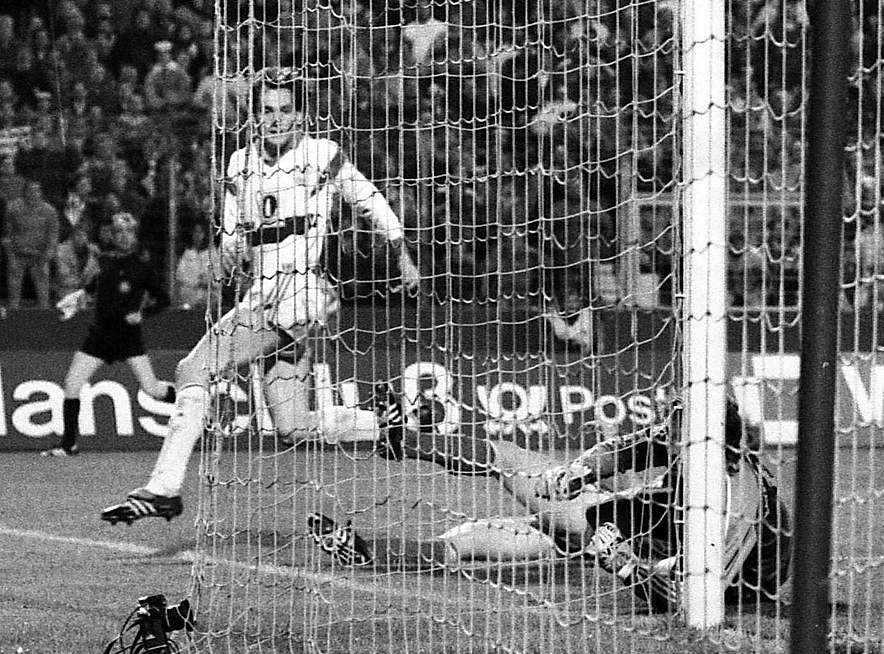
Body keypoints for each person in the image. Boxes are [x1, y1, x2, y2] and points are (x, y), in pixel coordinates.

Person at [101, 68, 420, 526]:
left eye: (285, 110)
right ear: (253, 117)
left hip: (302, 289)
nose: (276, 119)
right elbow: (234, 235)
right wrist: (224, 256)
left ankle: (164, 488)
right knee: (291, 425)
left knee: (193, 368)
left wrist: (402, 254)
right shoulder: (239, 165)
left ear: (302, 115)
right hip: (262, 291)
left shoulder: (321, 154)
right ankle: (386, 424)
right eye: (266, 110)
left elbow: (370, 200)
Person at [309, 389, 792, 614]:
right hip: (671, 521)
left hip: (726, 575)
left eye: (674, 423)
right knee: (550, 524)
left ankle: (405, 444)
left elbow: (695, 599)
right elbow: (624, 450)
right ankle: (374, 548)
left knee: (522, 475)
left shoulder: (736, 503)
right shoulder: (701, 444)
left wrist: (624, 566)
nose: (665, 428)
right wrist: (581, 468)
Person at [45, 213, 175, 456]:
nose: (123, 236)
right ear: (113, 235)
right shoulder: (104, 261)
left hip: (128, 337)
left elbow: (164, 300)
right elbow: (96, 285)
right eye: (119, 231)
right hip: (100, 336)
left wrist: (143, 314)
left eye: (128, 231)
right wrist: (78, 296)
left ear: (134, 236)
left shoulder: (142, 268)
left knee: (152, 388)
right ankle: (68, 444)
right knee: (72, 385)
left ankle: (194, 403)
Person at [4, 179, 59, 308]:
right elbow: (7, 234)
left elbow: (53, 233)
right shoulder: (13, 208)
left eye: (37, 191)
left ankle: (44, 315)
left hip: (40, 255)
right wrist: (10, 255)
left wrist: (50, 251)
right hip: (18, 254)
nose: (34, 193)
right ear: (24, 192)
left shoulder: (49, 211)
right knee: (13, 292)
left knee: (43, 292)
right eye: (30, 190)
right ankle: (13, 316)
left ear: (41, 193)